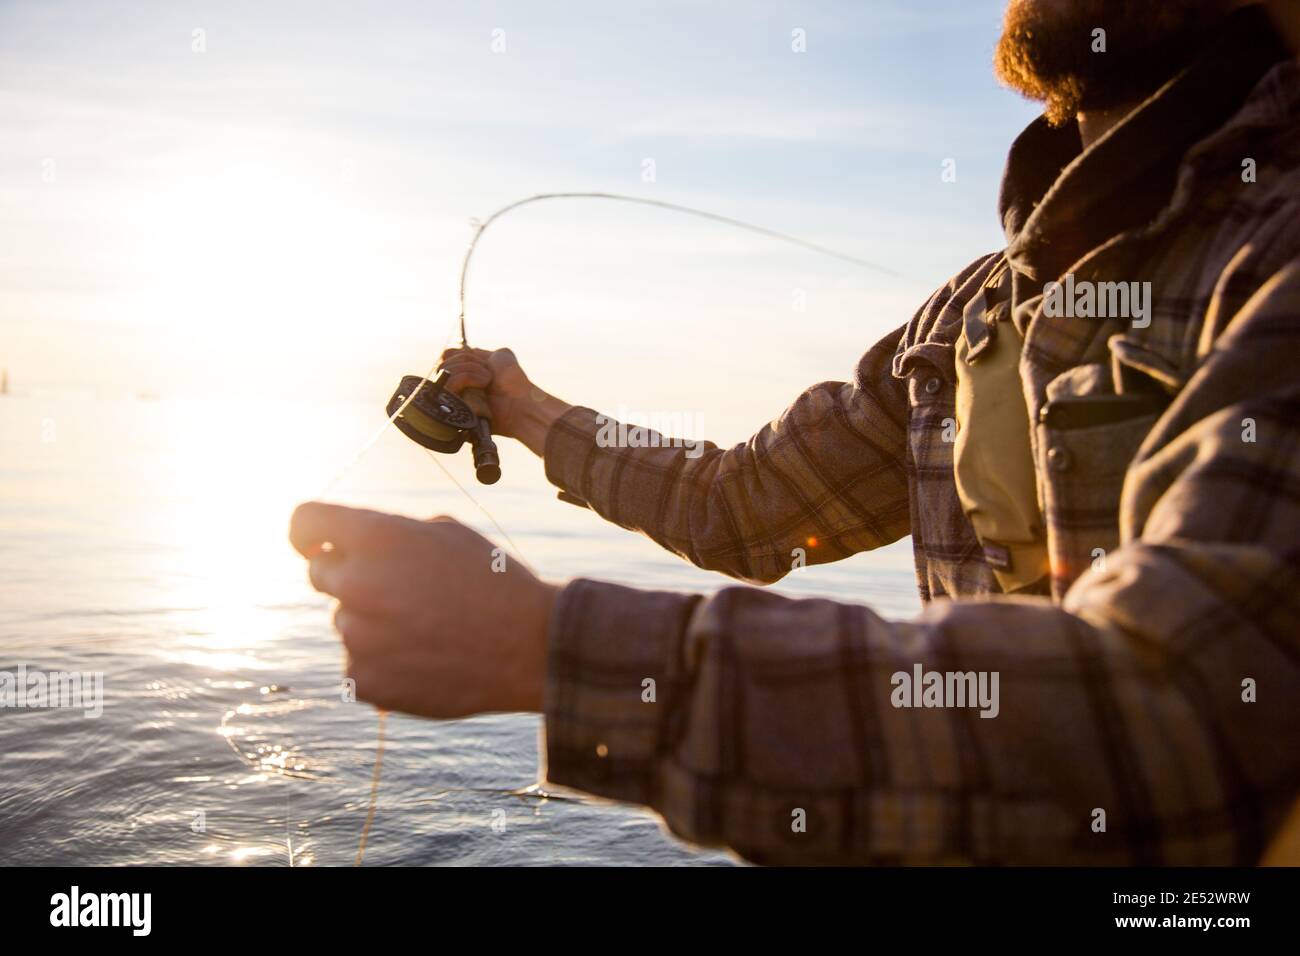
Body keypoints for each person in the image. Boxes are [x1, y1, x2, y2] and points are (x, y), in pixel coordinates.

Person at [290, 0, 1300, 864]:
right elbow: (743, 504)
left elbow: (1186, 714)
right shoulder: (968, 313)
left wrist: (546, 647)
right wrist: (525, 409)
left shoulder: (1279, 249)